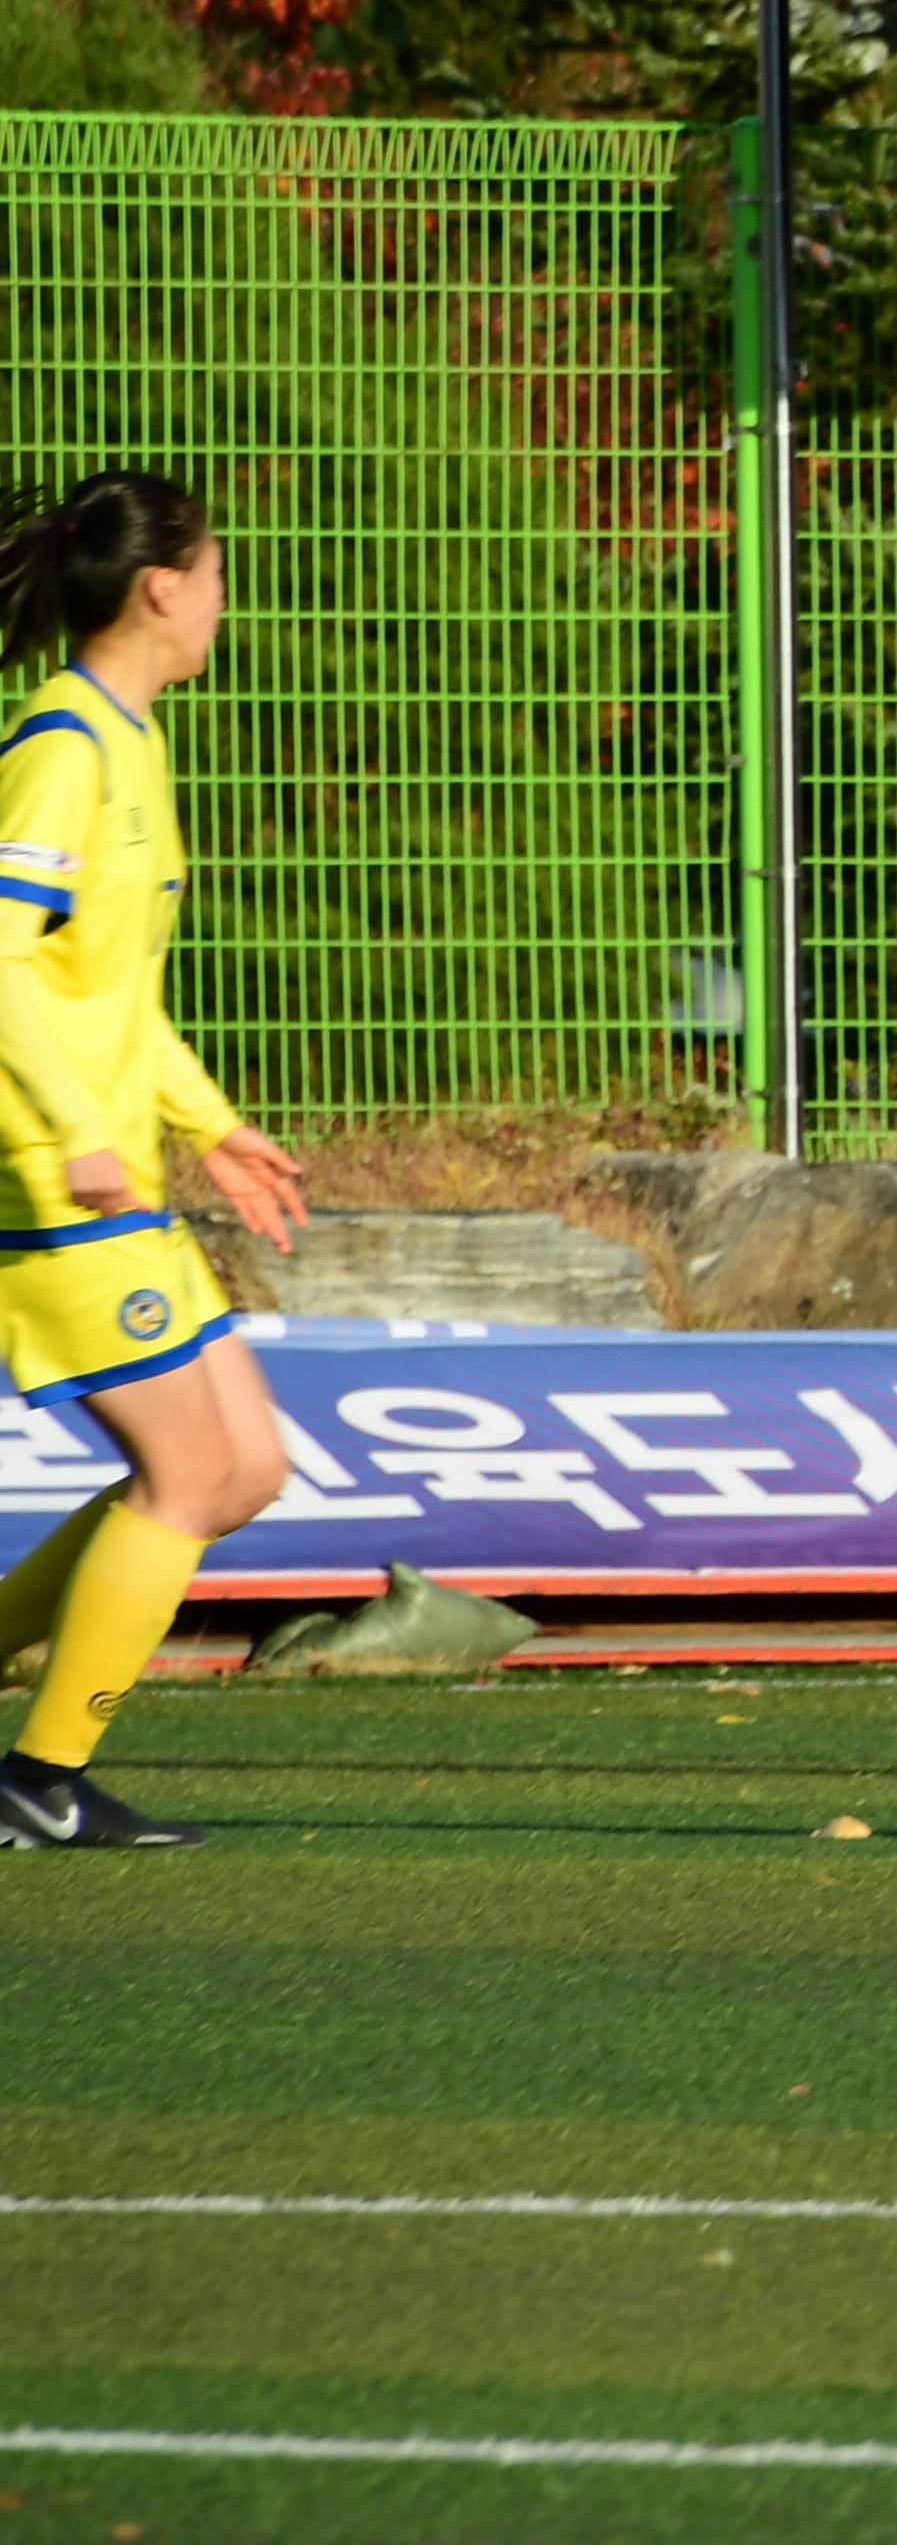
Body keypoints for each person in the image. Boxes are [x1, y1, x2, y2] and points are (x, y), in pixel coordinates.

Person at [0, 473, 306, 1850]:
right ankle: (37, 1779)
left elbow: (106, 993)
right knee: (187, 1475)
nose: (226, 599)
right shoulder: (60, 748)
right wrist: (77, 1136)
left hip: (119, 1170)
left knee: (243, 1469)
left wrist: (209, 1123)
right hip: (56, 1185)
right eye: (219, 572)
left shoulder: (131, 740)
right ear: (163, 587)